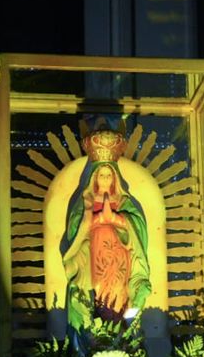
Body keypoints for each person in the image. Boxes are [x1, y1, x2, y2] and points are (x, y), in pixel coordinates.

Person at [60, 129, 152, 328]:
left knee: (118, 298)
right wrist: (97, 219)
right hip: (94, 260)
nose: (104, 179)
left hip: (119, 260)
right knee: (99, 296)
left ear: (114, 178)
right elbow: (76, 230)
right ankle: (96, 329)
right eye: (101, 175)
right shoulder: (85, 203)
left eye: (108, 175)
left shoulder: (124, 203)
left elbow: (137, 227)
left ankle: (122, 326)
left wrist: (118, 220)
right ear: (94, 177)